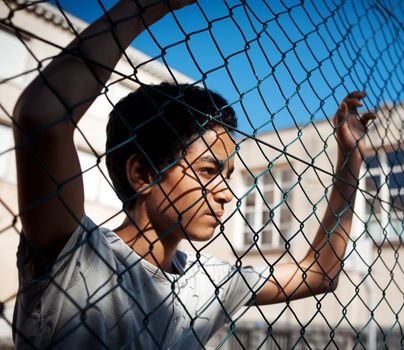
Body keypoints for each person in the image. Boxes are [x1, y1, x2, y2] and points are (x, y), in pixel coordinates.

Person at [12, 0, 376, 348]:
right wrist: (147, 5)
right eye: (207, 171)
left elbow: (319, 273)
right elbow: (43, 119)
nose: (225, 194)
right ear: (142, 173)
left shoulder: (208, 281)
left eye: (228, 175)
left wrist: (350, 161)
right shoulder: (77, 256)